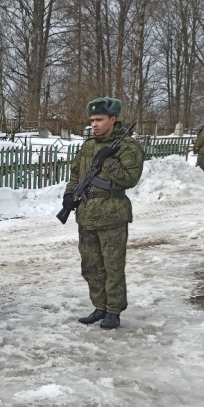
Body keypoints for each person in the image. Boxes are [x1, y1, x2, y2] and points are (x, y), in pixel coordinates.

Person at [62, 97, 144, 330]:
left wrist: (108, 161)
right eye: (92, 120)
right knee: (90, 265)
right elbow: (76, 174)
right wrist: (70, 195)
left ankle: (114, 311)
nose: (94, 124)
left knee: (113, 266)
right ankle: (99, 306)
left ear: (113, 119)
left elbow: (130, 179)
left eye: (99, 120)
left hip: (112, 214)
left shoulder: (127, 147)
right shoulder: (88, 146)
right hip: (87, 214)